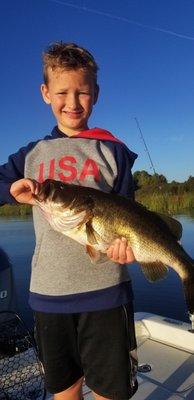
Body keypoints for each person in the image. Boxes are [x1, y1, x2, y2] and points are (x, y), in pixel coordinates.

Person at [0, 42, 138, 400]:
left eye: (83, 92)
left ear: (97, 93)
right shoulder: (31, 154)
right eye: (62, 92)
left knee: (112, 390)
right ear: (46, 93)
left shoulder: (114, 151)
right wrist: (10, 188)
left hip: (107, 294)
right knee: (65, 389)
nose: (73, 102)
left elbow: (129, 213)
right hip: (49, 295)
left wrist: (130, 248)